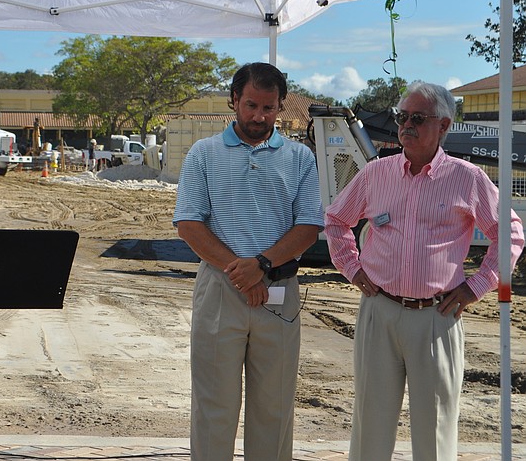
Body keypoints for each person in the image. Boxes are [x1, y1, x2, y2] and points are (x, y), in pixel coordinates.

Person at [324, 81, 524, 461]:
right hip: (379, 311)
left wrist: (477, 285)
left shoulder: (467, 178)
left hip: (436, 316)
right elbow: (335, 220)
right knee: (370, 423)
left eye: (417, 118)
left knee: (435, 429)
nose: (406, 126)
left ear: (443, 125)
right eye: (401, 117)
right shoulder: (376, 173)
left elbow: (510, 233)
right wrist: (351, 267)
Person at [173, 62, 323, 461]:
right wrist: (243, 273)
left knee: (274, 407)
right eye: (251, 105)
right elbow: (189, 224)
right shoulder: (204, 154)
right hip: (221, 289)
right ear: (234, 100)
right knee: (213, 406)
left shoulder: (300, 158)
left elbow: (309, 227)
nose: (259, 116)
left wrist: (262, 265)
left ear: (280, 106)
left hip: (278, 290)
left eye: (268, 108)